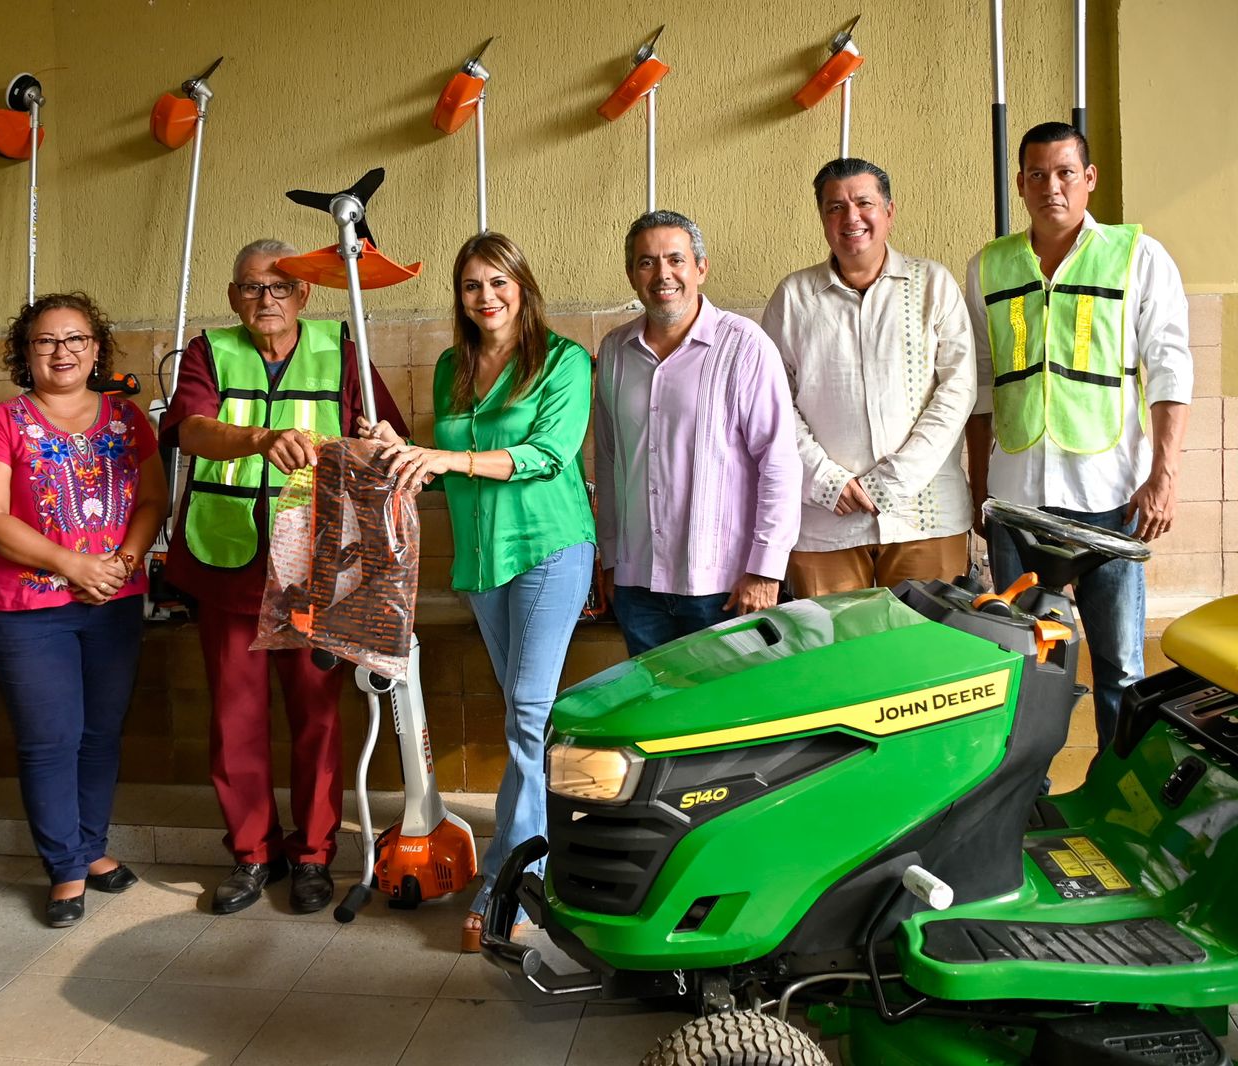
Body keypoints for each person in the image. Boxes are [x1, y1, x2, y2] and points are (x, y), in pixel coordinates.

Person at [163, 239, 408, 915]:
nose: (264, 299)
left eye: (278, 287)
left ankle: (313, 855)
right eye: (250, 287)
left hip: (315, 567)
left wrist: (377, 440)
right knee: (235, 718)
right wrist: (259, 439)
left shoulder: (343, 348)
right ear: (232, 295)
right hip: (228, 561)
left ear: (304, 293)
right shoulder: (209, 351)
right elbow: (190, 431)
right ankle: (252, 854)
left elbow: (388, 438)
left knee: (316, 719)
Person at [366, 232, 594, 953]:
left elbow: (548, 454)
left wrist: (443, 456)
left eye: (499, 282)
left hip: (549, 547)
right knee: (526, 721)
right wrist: (401, 454)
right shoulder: (451, 367)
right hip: (483, 561)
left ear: (522, 287)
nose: (486, 297)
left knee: (527, 717)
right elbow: (444, 471)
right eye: (472, 286)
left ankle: (512, 884)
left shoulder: (563, 361)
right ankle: (546, 856)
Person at [967, 121, 1191, 748]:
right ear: (1020, 183)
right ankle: (1024, 789)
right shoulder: (988, 266)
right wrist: (979, 487)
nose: (1052, 187)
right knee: (1021, 664)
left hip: (1109, 499)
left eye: (1066, 173)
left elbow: (1171, 368)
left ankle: (1115, 787)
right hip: (1016, 501)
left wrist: (1164, 475)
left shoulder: (1137, 256)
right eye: (1037, 175)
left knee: (1120, 667)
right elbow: (980, 384)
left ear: (1089, 179)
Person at [0, 293, 168, 927]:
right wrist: (73, 564)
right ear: (25, 353)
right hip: (28, 610)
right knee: (51, 740)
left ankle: (91, 847)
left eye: (75, 339)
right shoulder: (2, 423)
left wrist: (122, 564)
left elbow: (153, 502)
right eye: (46, 341)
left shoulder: (128, 419)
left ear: (96, 348)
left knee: (100, 735)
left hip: (113, 602)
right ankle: (66, 867)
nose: (62, 352)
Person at [762, 158, 976, 597]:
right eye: (835, 207)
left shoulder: (933, 284)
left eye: (864, 203)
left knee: (925, 638)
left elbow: (958, 391)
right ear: (822, 218)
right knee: (834, 640)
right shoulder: (794, 297)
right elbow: (772, 403)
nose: (851, 217)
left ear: (889, 212)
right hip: (825, 521)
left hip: (925, 515)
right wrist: (826, 482)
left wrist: (892, 481)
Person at [594, 210, 800, 656]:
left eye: (676, 260)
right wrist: (611, 560)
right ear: (631, 275)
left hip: (725, 586)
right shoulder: (614, 351)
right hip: (637, 586)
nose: (662, 274)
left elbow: (779, 462)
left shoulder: (745, 346)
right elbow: (609, 463)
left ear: (701, 268)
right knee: (653, 700)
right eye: (647, 262)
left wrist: (766, 570)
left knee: (734, 701)